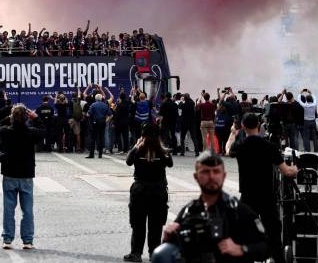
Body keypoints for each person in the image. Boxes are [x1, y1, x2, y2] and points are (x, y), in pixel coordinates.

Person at [152, 152, 270, 263]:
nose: (211, 176)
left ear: (224, 176)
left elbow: (267, 247)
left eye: (216, 171)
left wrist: (241, 249)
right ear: (196, 177)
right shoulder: (188, 212)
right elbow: (173, 252)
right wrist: (168, 238)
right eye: (205, 172)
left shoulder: (239, 212)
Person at [226, 113, 297, 263]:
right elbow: (286, 171)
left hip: (247, 196)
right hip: (266, 196)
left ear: (243, 126)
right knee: (273, 233)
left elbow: (227, 150)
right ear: (259, 125)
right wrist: (295, 169)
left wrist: (233, 133)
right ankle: (277, 258)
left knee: (244, 233)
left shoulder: (241, 145)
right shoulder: (269, 146)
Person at [0, 105, 44, 250]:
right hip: (26, 174)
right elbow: (44, 132)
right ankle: (27, 241)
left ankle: (7, 239)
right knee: (27, 210)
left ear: (12, 117)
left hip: (9, 173)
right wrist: (36, 118)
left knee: (8, 209)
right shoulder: (31, 132)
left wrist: (7, 118)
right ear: (26, 117)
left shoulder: (6, 131)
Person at [123, 123, 173, 262]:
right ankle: (154, 253)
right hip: (158, 192)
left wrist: (136, 145)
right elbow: (170, 163)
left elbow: (128, 161)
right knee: (156, 226)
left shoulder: (138, 150)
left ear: (142, 136)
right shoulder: (162, 151)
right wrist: (162, 148)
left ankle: (136, 253)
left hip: (140, 192)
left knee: (138, 225)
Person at [86, 94, 112, 159]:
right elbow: (111, 115)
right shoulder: (105, 105)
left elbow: (88, 114)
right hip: (102, 123)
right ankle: (100, 154)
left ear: (95, 99)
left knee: (93, 138)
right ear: (101, 99)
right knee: (101, 138)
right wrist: (106, 120)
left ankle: (91, 154)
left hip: (95, 123)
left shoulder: (93, 105)